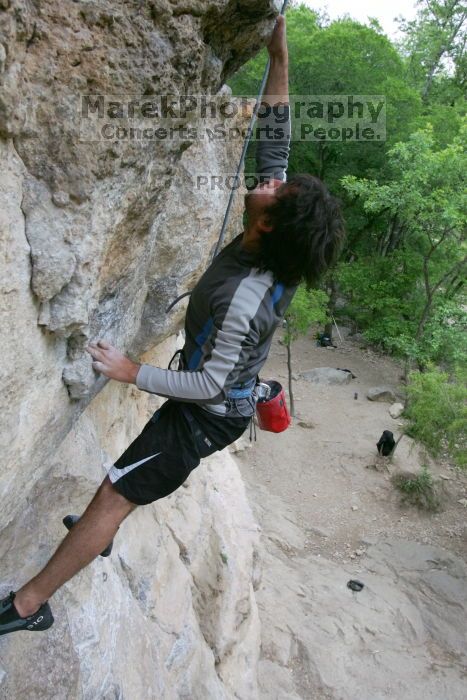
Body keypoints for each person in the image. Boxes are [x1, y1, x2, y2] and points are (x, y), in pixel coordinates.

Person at [0, 15, 345, 636]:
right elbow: (276, 137)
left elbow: (210, 387)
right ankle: (93, 539)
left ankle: (29, 606)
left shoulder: (249, 293)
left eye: (276, 190)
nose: (271, 180)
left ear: (268, 223)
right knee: (119, 494)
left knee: (114, 492)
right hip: (211, 390)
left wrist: (135, 372)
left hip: (203, 418)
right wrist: (280, 58)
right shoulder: (273, 239)